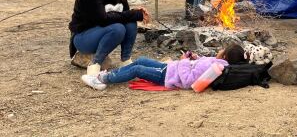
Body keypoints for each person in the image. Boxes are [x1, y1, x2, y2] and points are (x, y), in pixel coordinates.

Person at [69, 0, 150, 77]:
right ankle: (95, 64)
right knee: (118, 28)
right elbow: (102, 19)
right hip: (83, 37)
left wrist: (135, 12)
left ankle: (126, 60)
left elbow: (125, 14)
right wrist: (135, 14)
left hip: (103, 33)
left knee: (130, 23)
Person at [81, 44, 247, 90]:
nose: (219, 50)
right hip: (170, 68)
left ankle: (103, 79)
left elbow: (189, 82)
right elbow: (199, 65)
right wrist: (195, 58)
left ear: (224, 56)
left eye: (222, 50)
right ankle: (110, 74)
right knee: (141, 60)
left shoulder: (216, 67)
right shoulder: (218, 63)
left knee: (137, 69)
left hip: (168, 76)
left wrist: (183, 61)